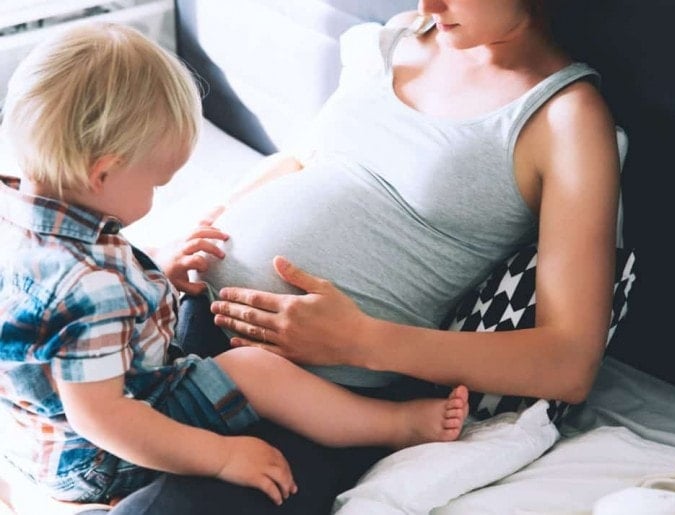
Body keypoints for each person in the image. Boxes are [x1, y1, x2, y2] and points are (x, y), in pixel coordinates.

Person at [110, 0, 622, 513]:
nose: (427, 5)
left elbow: (569, 362)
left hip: (319, 402)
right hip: (187, 316)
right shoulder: (399, 37)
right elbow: (301, 159)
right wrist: (189, 241)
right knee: (76, 427)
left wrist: (361, 341)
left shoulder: (566, 120)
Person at [0, 21, 472, 509]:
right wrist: (221, 456)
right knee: (255, 371)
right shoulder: (89, 287)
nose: (156, 195)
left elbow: (59, 327)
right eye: (155, 183)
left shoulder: (26, 221)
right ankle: (395, 425)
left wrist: (155, 270)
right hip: (101, 456)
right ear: (102, 173)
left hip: (32, 442)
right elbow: (105, 418)